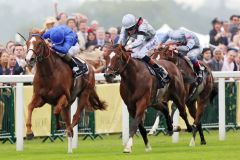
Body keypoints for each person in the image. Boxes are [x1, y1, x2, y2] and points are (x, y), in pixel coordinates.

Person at [118, 13, 170, 88]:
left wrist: (128, 46)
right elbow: (121, 41)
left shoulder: (142, 25)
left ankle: (160, 70)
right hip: (142, 40)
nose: (130, 31)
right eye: (128, 29)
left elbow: (140, 40)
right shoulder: (125, 27)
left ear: (135, 24)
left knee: (140, 54)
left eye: (132, 28)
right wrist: (118, 47)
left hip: (151, 39)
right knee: (132, 55)